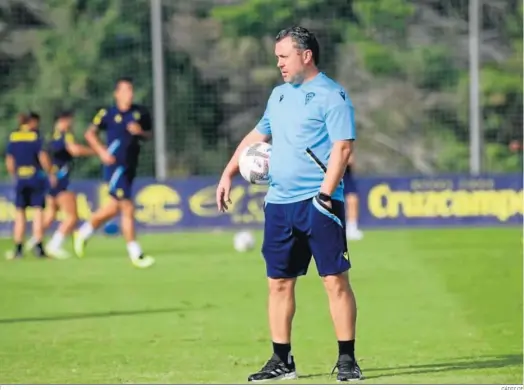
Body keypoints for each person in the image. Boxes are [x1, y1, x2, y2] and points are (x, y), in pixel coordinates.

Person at [216, 26, 362, 382]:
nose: (279, 63)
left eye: (283, 56)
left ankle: (347, 358)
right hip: (279, 204)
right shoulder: (278, 95)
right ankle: (282, 361)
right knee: (278, 283)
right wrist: (228, 171)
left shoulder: (332, 95)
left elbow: (343, 148)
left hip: (319, 202)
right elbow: (257, 135)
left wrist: (325, 196)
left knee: (334, 280)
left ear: (305, 55)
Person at [73, 77, 155, 268]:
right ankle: (136, 254)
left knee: (113, 207)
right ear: (117, 94)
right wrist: (102, 151)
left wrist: (140, 132)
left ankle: (84, 231)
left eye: (131, 90)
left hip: (130, 167)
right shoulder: (107, 114)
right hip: (115, 167)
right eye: (125, 90)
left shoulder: (140, 112)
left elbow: (149, 134)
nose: (129, 94)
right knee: (127, 207)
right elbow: (89, 134)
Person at [25, 110, 95, 259]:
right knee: (72, 217)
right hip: (62, 180)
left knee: (50, 214)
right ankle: (54, 245)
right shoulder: (65, 135)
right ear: (64, 120)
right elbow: (75, 150)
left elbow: (42, 154)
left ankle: (35, 241)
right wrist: (96, 151)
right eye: (70, 121)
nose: (71, 124)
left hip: (51, 179)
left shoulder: (49, 137)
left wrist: (49, 172)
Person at [5, 112, 56, 259]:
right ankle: (39, 247)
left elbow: (10, 160)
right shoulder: (35, 137)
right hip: (34, 177)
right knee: (38, 211)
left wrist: (14, 175)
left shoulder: (14, 137)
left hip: (20, 178)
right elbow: (43, 157)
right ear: (32, 122)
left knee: (20, 213)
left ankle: (18, 248)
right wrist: (50, 172)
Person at [343, 153, 364, 240]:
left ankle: (352, 228)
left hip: (345, 173)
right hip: (332, 171)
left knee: (352, 198)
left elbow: (350, 160)